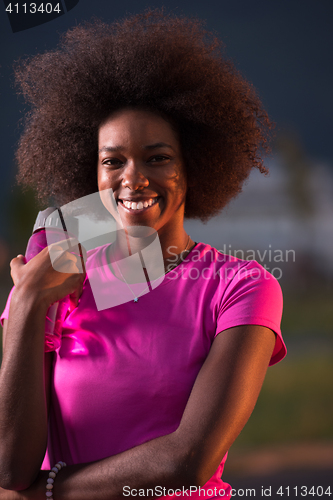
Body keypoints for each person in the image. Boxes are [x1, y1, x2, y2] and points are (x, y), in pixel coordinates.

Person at [0, 10, 286, 500]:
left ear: (193, 165)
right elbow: (10, 466)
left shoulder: (242, 287)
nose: (132, 179)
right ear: (88, 171)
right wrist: (27, 303)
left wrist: (47, 492)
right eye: (113, 161)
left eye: (158, 158)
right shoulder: (55, 278)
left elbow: (187, 462)